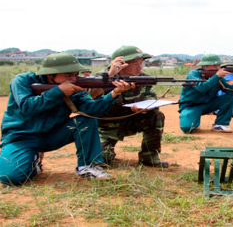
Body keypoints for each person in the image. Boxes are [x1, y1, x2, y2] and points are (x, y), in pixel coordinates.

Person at [0, 53, 133, 186]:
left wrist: (114, 93)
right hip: (21, 138)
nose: (73, 79)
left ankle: (88, 166)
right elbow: (27, 106)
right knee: (9, 178)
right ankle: (33, 162)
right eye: (68, 75)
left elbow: (91, 109)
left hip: (52, 134)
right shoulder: (23, 80)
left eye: (75, 74)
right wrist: (58, 91)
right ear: (50, 74)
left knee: (86, 120)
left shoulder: (73, 88)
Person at [93, 45, 168, 168]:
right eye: (135, 63)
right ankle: (106, 151)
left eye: (141, 63)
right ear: (122, 64)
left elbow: (151, 98)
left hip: (132, 120)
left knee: (156, 115)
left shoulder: (144, 78)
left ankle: (149, 156)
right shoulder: (101, 77)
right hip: (106, 126)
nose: (140, 67)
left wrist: (146, 107)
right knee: (101, 160)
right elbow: (89, 97)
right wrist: (108, 78)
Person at [178, 54, 233, 133]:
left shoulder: (217, 76)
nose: (217, 68)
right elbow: (202, 88)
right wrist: (216, 76)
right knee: (188, 128)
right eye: (214, 65)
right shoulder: (194, 74)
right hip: (191, 106)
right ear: (205, 66)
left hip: (209, 104)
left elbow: (230, 91)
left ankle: (220, 124)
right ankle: (192, 120)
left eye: (218, 65)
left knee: (229, 97)